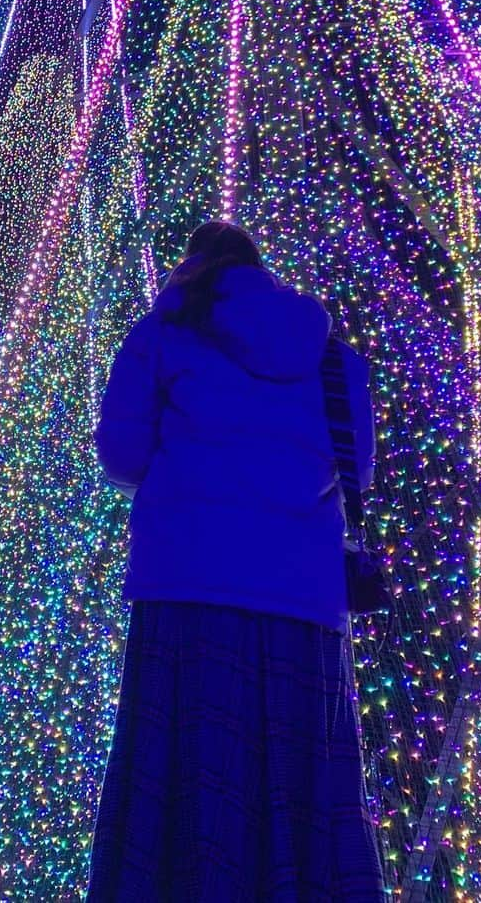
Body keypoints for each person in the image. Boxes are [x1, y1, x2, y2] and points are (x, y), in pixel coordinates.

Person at [86, 221, 386, 901]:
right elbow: (356, 466)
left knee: (183, 772)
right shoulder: (331, 357)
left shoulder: (161, 336)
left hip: (188, 586)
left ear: (196, 268)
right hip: (302, 603)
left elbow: (121, 454)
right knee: (300, 779)